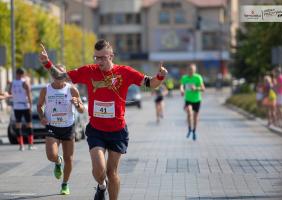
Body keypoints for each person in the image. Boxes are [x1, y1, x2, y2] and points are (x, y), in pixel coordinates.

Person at [39, 39, 168, 200]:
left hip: (117, 130)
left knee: (112, 173)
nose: (98, 61)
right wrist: (47, 63)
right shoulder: (89, 70)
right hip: (96, 130)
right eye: (96, 57)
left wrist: (160, 76)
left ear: (111, 56)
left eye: (102, 57)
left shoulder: (125, 72)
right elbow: (60, 76)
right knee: (99, 170)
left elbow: (151, 83)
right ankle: (101, 186)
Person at [37, 64, 85, 195]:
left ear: (65, 75)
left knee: (69, 158)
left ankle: (65, 184)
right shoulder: (45, 90)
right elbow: (39, 105)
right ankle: (58, 161)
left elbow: (81, 109)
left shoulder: (72, 90)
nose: (58, 77)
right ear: (52, 75)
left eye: (62, 74)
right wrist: (41, 116)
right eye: (56, 75)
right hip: (52, 126)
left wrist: (77, 104)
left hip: (68, 127)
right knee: (51, 155)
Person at [9, 68, 36, 151]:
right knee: (29, 125)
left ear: (16, 74)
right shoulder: (24, 82)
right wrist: (31, 106)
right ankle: (30, 144)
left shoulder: (12, 83)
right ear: (22, 74)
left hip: (16, 106)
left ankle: (21, 145)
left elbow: (10, 93)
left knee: (18, 126)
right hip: (25, 106)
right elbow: (29, 95)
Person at [180, 63, 205, 141]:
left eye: (192, 70)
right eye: (190, 70)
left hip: (197, 100)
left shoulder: (198, 77)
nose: (191, 72)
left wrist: (196, 88)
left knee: (195, 117)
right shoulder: (184, 78)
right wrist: (181, 90)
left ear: (195, 70)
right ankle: (189, 128)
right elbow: (181, 85)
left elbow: (203, 89)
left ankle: (194, 131)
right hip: (188, 100)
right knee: (189, 112)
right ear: (188, 70)